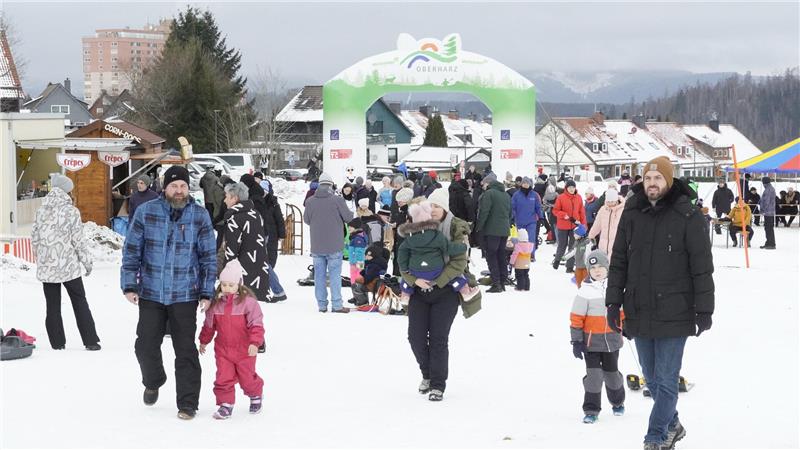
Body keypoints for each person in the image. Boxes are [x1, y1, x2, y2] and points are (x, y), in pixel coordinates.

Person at [606, 156, 714, 449]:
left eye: (658, 179)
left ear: (669, 181)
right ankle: (674, 424)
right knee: (652, 380)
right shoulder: (632, 213)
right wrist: (613, 303)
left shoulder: (687, 216)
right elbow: (618, 262)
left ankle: (655, 438)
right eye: (648, 178)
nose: (652, 184)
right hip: (639, 308)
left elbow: (701, 266)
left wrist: (705, 308)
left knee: (666, 381)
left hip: (675, 310)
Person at [121, 165, 216, 420]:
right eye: (174, 186)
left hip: (185, 294)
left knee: (185, 350)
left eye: (183, 186)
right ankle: (154, 379)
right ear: (165, 187)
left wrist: (207, 293)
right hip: (151, 292)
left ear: (188, 188)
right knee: (144, 345)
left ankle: (187, 403)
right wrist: (129, 284)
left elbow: (208, 258)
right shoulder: (146, 212)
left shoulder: (199, 215)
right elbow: (131, 251)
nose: (178, 191)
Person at [400, 195, 472, 402]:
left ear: (445, 209)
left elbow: (459, 261)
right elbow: (402, 260)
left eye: (437, 206)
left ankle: (438, 384)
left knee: (439, 339)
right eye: (429, 205)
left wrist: (438, 281)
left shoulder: (455, 229)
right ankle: (427, 374)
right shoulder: (414, 228)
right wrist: (414, 280)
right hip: (419, 292)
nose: (432, 209)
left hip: (446, 290)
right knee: (415, 337)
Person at [31, 174, 100, 351]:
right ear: (65, 191)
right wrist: (86, 262)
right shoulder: (71, 211)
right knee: (79, 301)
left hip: (48, 267)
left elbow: (35, 238)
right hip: (68, 266)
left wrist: (42, 258)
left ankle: (57, 343)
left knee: (52, 306)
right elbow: (78, 240)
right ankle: (90, 341)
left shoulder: (40, 210)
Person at [199, 260, 265, 420]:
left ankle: (255, 394)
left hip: (244, 350)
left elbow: (256, 323)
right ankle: (225, 404)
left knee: (247, 378)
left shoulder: (248, 303)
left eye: (231, 285)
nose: (227, 288)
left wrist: (255, 342)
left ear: (239, 284)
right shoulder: (215, 305)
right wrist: (204, 340)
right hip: (223, 350)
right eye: (224, 284)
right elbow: (209, 325)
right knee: (223, 377)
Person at [569, 249, 625, 424]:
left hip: (612, 341)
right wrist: (577, 341)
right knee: (594, 377)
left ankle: (617, 402)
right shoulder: (584, 292)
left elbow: (623, 313)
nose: (597, 271)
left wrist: (627, 326)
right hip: (591, 343)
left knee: (612, 375)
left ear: (607, 268)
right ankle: (591, 409)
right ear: (588, 270)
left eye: (601, 267)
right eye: (593, 268)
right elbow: (576, 318)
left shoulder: (615, 290)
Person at [397, 200, 478, 304]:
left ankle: (405, 295)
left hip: (416, 270)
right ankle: (464, 292)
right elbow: (449, 248)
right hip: (436, 270)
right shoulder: (436, 235)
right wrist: (463, 247)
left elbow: (402, 256)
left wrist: (405, 269)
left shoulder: (408, 239)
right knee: (456, 278)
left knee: (406, 281)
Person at [304, 172, 354, 313]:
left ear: (319, 184)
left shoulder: (310, 201)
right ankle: (337, 305)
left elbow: (307, 220)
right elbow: (349, 217)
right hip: (335, 245)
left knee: (319, 276)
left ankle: (322, 305)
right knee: (334, 276)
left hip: (317, 245)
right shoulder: (337, 200)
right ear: (331, 185)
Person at [220, 182, 270, 304]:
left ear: (234, 198)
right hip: (260, 270)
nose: (224, 200)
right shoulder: (256, 214)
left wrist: (226, 273)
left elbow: (231, 250)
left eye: (226, 196)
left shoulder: (234, 218)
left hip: (241, 274)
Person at [476, 173, 512, 293]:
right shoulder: (506, 194)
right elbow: (510, 213)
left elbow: (484, 211)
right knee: (501, 255)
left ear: (489, 183)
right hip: (504, 230)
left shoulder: (489, 193)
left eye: (484, 183)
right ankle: (502, 281)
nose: (483, 186)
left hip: (491, 230)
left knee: (491, 256)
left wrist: (479, 227)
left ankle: (496, 283)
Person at [552, 180, 586, 273]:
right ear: (566, 188)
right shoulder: (561, 197)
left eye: (573, 187)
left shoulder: (578, 197)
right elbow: (555, 211)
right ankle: (557, 261)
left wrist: (583, 225)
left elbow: (582, 212)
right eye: (570, 187)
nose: (571, 189)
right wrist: (563, 215)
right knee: (562, 245)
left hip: (575, 227)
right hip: (563, 226)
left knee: (572, 247)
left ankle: (569, 267)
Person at [511, 176, 545, 255]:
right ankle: (521, 254)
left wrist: (541, 217)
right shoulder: (516, 195)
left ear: (530, 184)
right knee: (521, 239)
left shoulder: (534, 195)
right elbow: (512, 207)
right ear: (521, 184)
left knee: (531, 238)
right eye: (524, 183)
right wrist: (512, 217)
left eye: (527, 183)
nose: (526, 184)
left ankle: (531, 254)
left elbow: (538, 207)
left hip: (531, 221)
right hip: (519, 221)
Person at [587, 189, 625, 259]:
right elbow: (597, 224)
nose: (610, 203)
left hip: (616, 244)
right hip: (603, 244)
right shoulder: (603, 209)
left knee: (613, 264)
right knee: (603, 265)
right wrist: (591, 236)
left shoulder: (623, 211)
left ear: (616, 200)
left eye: (612, 201)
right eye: (608, 201)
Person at [390, 187, 414, 276]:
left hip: (404, 242)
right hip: (399, 241)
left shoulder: (409, 212)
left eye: (400, 202)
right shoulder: (402, 211)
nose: (398, 204)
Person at [759, 177, 776, 249]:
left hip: (768, 212)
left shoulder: (769, 189)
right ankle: (768, 242)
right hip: (769, 212)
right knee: (767, 228)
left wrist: (763, 210)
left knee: (769, 228)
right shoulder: (768, 188)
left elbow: (767, 201)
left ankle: (771, 244)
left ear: (764, 182)